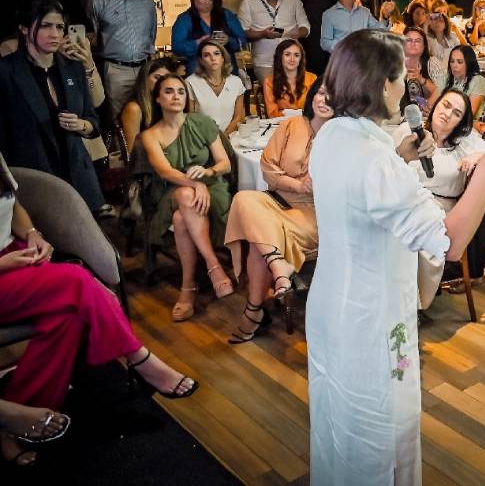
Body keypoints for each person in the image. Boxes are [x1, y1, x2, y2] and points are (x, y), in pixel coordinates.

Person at [304, 28, 485, 484]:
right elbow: (449, 245)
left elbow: (362, 185)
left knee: (336, 420)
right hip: (370, 318)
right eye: (400, 77)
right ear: (382, 85)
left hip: (330, 304)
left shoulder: (332, 133)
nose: (407, 85)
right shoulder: (379, 163)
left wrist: (400, 154)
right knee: (381, 430)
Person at [0, 153, 198, 466]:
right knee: (78, 281)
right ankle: (139, 358)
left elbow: (14, 204)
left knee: (69, 317)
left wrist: (34, 235)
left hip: (16, 254)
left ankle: (13, 418)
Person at [224, 77, 331, 342]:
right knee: (243, 200)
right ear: (312, 97)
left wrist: (320, 186)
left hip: (315, 214)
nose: (324, 100)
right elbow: (268, 167)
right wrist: (297, 184)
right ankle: (278, 263)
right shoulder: (292, 124)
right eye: (320, 93)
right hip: (278, 199)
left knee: (261, 241)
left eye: (332, 96)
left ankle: (254, 311)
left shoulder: (341, 138)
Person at [391, 89, 485, 299]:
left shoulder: (466, 141)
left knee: (414, 231)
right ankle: (395, 293)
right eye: (446, 105)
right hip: (406, 200)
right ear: (436, 105)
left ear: (461, 122)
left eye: (457, 113)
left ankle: (415, 297)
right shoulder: (408, 130)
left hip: (443, 208)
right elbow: (387, 165)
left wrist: (480, 157)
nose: (448, 113)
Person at [139, 75, 234, 320]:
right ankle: (214, 266)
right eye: (169, 92)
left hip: (211, 186)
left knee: (181, 219)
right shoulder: (151, 135)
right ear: (158, 98)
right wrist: (194, 185)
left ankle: (188, 288)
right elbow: (165, 171)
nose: (176, 96)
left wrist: (208, 173)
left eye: (181, 92)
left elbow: (224, 163)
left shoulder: (200, 122)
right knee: (184, 193)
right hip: (170, 189)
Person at [0, 0, 105, 212]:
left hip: (79, 177)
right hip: (33, 178)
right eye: (46, 26)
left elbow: (93, 120)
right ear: (25, 28)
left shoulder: (72, 67)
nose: (55, 34)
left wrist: (82, 125)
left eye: (60, 27)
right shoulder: (6, 71)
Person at [86, 0, 158, 115]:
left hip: (145, 68)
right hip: (116, 70)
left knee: (150, 114)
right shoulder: (97, 2)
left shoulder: (147, 2)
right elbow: (94, 39)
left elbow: (151, 34)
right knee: (119, 117)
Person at [238, 0, 311, 83]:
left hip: (292, 61)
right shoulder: (248, 4)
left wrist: (299, 33)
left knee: (296, 98)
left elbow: (306, 27)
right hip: (265, 63)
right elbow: (242, 33)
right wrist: (263, 34)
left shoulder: (293, 1)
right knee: (274, 97)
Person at [171, 0, 246, 76]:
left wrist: (229, 40)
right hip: (198, 75)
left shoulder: (226, 15)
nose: (207, 2)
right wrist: (197, 43)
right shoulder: (184, 19)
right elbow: (176, 47)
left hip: (227, 74)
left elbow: (242, 40)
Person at [319, 0, 394, 55]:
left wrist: (385, 15)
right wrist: (344, 47)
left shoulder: (364, 12)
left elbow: (380, 31)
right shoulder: (329, 15)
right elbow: (325, 42)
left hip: (363, 62)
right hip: (342, 62)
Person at [121, 56, 182, 154]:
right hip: (145, 164)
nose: (161, 82)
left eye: (165, 78)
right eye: (157, 77)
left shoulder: (166, 105)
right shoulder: (134, 108)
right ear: (145, 78)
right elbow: (132, 151)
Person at [185, 40, 245, 134]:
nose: (213, 58)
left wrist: (224, 137)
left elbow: (238, 116)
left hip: (231, 137)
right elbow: (190, 119)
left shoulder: (236, 82)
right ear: (201, 61)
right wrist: (212, 141)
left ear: (223, 58)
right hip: (202, 140)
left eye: (216, 53)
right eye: (206, 55)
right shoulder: (191, 82)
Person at [262, 39, 318, 118]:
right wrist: (300, 112)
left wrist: (285, 112)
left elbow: (316, 109)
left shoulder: (312, 78)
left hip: (306, 123)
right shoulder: (269, 81)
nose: (292, 59)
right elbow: (272, 114)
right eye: (287, 54)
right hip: (282, 125)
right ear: (280, 57)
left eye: (296, 55)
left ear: (301, 58)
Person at [440, 45, 485, 116]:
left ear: (469, 63)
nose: (454, 65)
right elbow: (432, 103)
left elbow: (469, 115)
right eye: (452, 61)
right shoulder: (447, 77)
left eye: (459, 62)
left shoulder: (479, 81)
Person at [402, 26, 443, 110]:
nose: (413, 44)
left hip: (428, 113)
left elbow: (443, 91)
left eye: (417, 41)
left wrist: (421, 79)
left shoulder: (432, 63)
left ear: (424, 46)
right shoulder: (395, 64)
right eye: (409, 40)